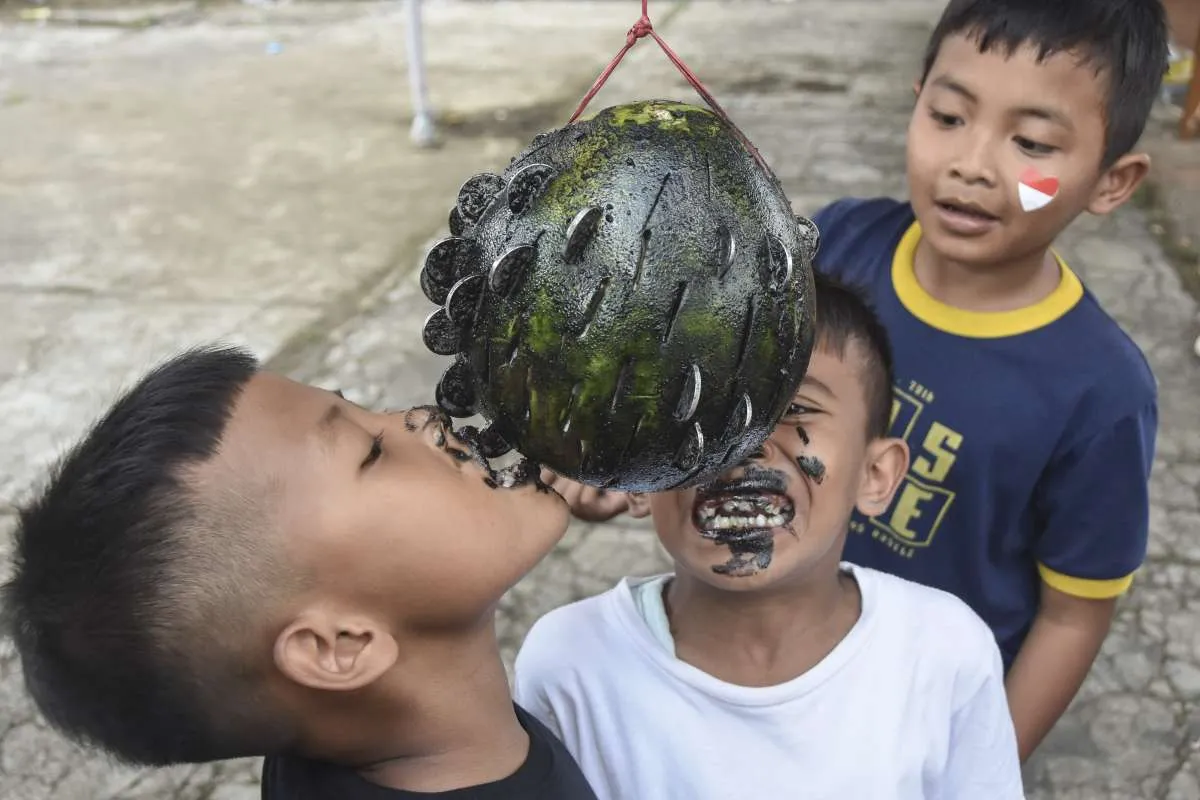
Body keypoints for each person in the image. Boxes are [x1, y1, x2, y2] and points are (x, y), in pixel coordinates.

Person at [546, 0, 1169, 763]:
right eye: (948, 117)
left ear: (1113, 181)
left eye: (1031, 141)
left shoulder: (1100, 391)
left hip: (911, 713)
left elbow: (1075, 617)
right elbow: (719, 368)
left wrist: (979, 754)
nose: (970, 162)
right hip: (768, 655)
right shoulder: (837, 243)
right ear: (915, 102)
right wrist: (631, 455)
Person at [0, 345, 598, 799]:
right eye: (371, 452)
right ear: (339, 646)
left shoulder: (325, 738)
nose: (415, 415)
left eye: (366, 410)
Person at [515, 277, 1026, 800]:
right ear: (637, 473)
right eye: (697, 407)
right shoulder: (569, 665)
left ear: (874, 475)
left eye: (795, 409)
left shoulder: (945, 652)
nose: (743, 445)